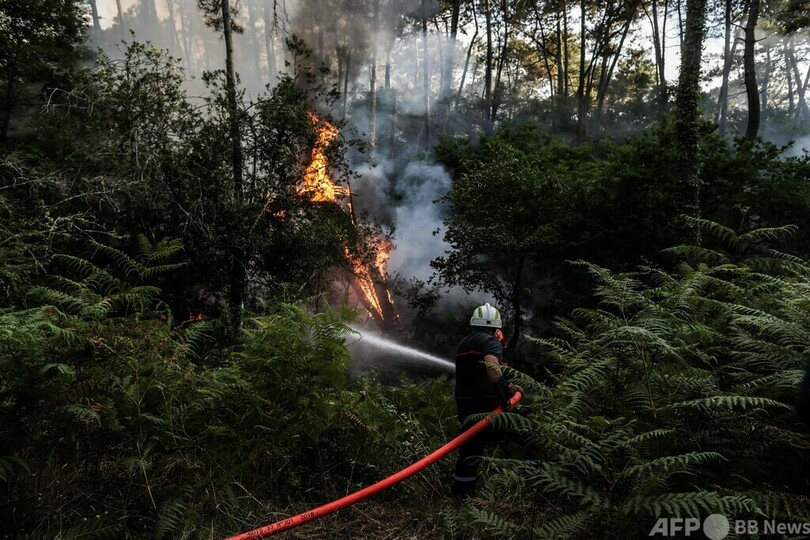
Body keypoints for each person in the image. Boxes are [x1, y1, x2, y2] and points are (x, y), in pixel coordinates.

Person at [452, 302, 522, 498]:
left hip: (465, 405)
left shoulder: (464, 343)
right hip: (489, 406)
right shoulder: (490, 342)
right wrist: (506, 396)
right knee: (524, 437)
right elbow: (492, 368)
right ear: (494, 328)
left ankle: (461, 496)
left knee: (470, 452)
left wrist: (508, 386)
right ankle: (531, 484)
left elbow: (476, 374)